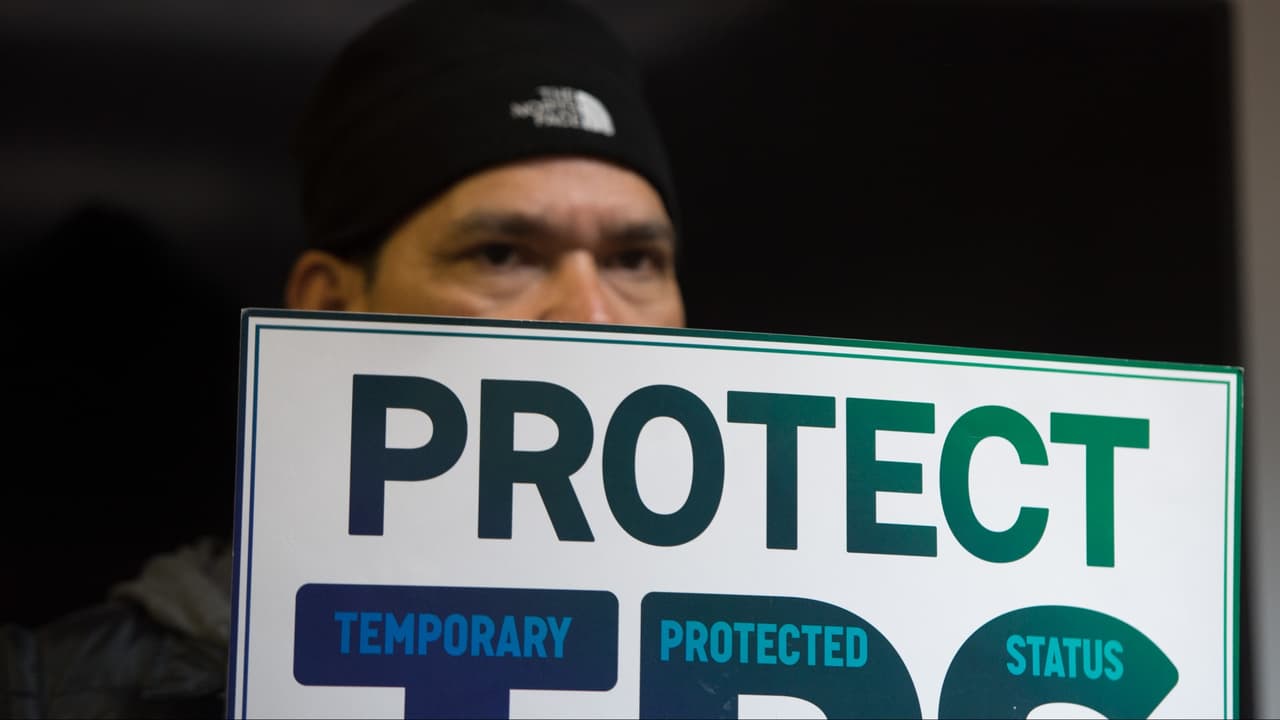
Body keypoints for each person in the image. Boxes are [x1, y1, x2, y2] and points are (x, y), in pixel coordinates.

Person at [0, 0, 684, 717]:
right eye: (501, 254)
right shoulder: (53, 695)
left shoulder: (744, 656)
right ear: (329, 310)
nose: (592, 315)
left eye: (634, 260)